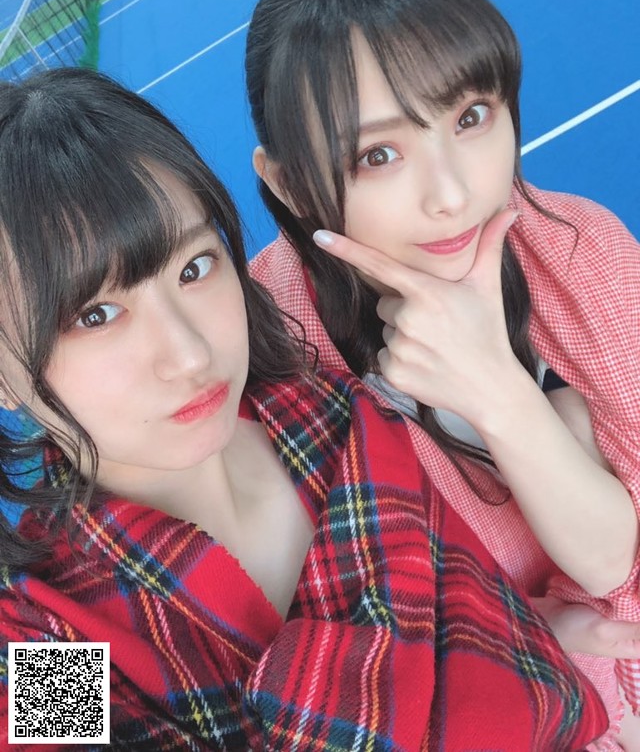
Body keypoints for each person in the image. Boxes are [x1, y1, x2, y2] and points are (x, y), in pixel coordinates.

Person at [0, 68, 607, 749]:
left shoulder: (337, 418)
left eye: (195, 268)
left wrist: (519, 636)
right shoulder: (43, 642)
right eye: (97, 315)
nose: (191, 353)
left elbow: (459, 628)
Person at [245, 0, 640, 750]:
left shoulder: (577, 254)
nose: (454, 194)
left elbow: (609, 566)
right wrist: (508, 646)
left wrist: (499, 390)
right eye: (93, 317)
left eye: (192, 270)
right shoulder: (45, 615)